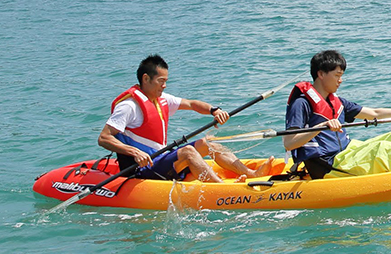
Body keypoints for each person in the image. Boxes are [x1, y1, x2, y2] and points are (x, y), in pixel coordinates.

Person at [98, 54, 272, 182]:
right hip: (143, 168)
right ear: (146, 78)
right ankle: (220, 188)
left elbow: (191, 104)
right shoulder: (129, 106)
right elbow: (104, 138)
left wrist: (214, 110)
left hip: (160, 159)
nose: (164, 86)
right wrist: (134, 152)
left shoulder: (161, 99)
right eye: (161, 81)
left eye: (166, 81)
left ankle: (251, 174)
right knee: (188, 151)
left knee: (208, 143)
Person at [283, 50, 391, 179]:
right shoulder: (301, 104)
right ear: (321, 74)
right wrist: (321, 126)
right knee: (383, 149)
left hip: (346, 153)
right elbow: (289, 143)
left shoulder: (337, 102)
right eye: (337, 75)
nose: (340, 80)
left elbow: (374, 113)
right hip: (327, 165)